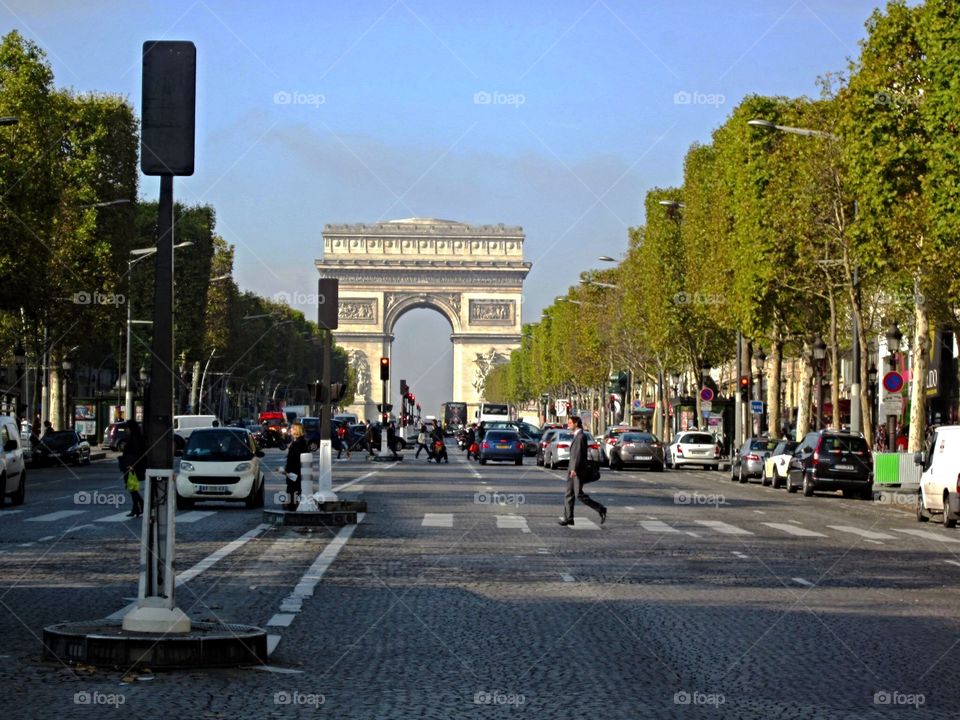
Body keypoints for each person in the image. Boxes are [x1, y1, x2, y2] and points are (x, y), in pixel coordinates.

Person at [559, 415, 606, 527]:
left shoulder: (580, 436)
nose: (568, 424)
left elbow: (578, 454)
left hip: (577, 470)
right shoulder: (577, 436)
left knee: (578, 494)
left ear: (576, 424)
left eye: (570, 423)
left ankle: (601, 508)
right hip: (572, 469)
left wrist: (574, 469)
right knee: (569, 494)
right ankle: (568, 518)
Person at [119, 420, 145, 518]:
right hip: (132, 466)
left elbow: (134, 453)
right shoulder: (136, 438)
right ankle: (138, 508)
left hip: (131, 467)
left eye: (127, 428)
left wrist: (130, 465)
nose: (126, 430)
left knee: (131, 487)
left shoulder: (134, 439)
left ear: (131, 429)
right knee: (132, 488)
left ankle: (139, 506)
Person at [283, 422, 308, 511]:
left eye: (293, 429)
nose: (290, 430)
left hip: (295, 470)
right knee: (293, 490)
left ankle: (292, 508)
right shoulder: (298, 442)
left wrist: (287, 470)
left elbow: (295, 458)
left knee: (293, 490)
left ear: (297, 430)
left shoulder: (299, 443)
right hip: (294, 470)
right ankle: (292, 506)